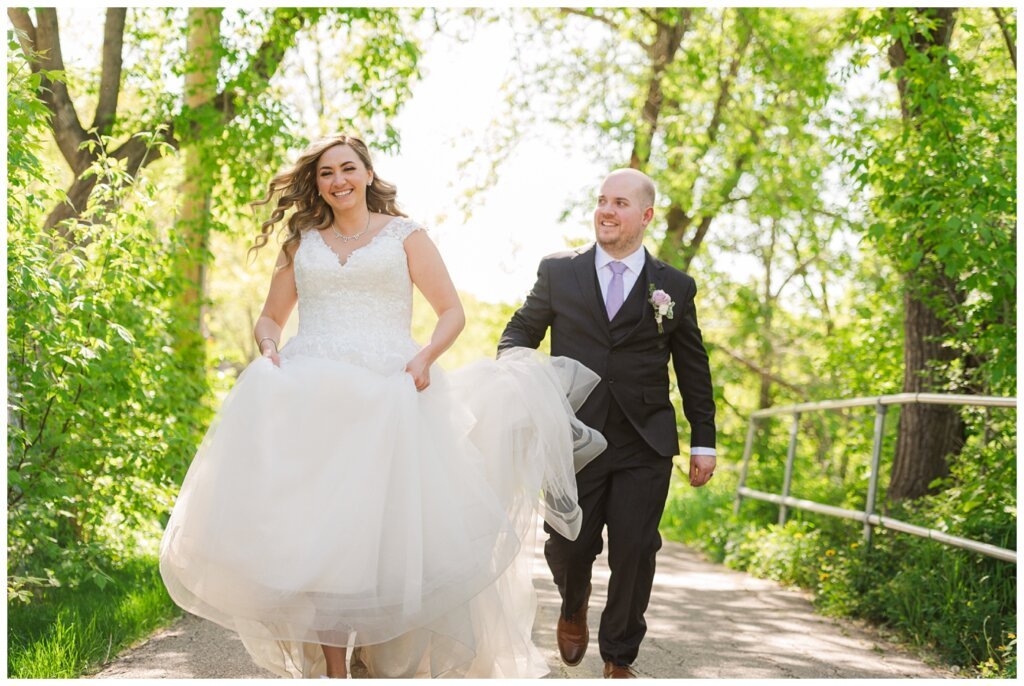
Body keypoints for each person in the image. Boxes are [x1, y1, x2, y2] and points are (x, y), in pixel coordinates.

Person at [158, 134, 607, 678]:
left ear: (368, 174)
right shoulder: (301, 243)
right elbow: (271, 317)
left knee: (380, 537)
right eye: (326, 173)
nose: (338, 181)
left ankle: (370, 648)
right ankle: (334, 668)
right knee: (320, 534)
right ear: (317, 183)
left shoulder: (406, 236)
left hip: (391, 393)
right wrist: (270, 346)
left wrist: (424, 360)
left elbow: (450, 313)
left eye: (348, 169)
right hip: (310, 398)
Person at [498, 168, 717, 679]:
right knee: (569, 547)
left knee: (636, 549)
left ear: (645, 216)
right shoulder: (559, 272)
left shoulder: (675, 287)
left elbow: (693, 369)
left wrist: (703, 440)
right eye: (601, 200)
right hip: (573, 437)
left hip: (646, 440)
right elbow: (520, 331)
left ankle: (619, 656)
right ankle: (573, 604)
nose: (606, 210)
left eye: (620, 203)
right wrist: (515, 377)